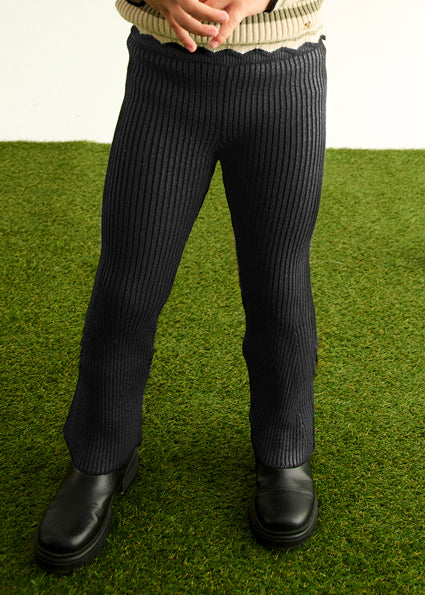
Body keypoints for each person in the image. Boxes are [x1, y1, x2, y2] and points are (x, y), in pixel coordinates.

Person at [34, 0, 326, 571]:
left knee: (279, 283)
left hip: (285, 75)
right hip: (165, 75)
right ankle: (100, 455)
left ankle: (285, 450)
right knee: (128, 287)